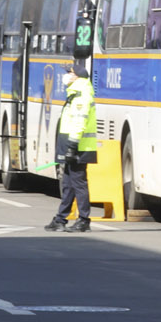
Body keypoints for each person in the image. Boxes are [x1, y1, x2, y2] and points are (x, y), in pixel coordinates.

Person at [46, 65, 97, 233]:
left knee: (78, 183)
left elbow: (79, 122)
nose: (66, 75)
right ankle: (60, 218)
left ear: (78, 77)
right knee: (68, 183)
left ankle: (84, 220)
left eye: (70, 73)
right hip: (72, 144)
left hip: (78, 146)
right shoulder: (74, 93)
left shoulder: (81, 95)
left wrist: (72, 147)